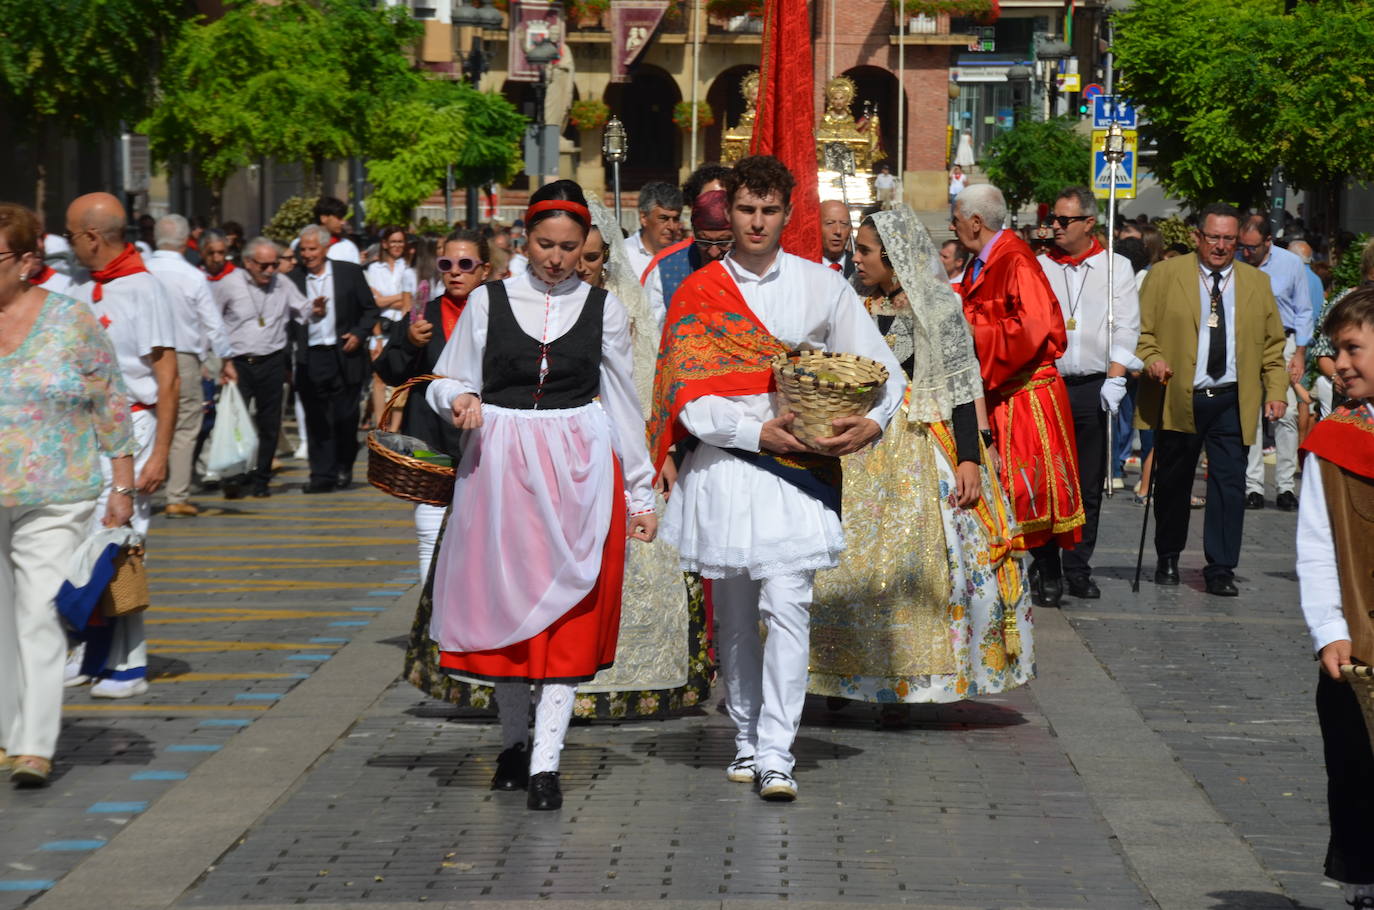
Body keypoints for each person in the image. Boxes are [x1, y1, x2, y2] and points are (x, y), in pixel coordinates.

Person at [651, 156, 905, 802]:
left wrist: (872, 422)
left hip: (800, 470)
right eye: (746, 209)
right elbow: (685, 393)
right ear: (728, 212)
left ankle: (776, 753)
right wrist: (752, 432)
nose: (757, 222)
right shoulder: (698, 292)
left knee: (788, 606)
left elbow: (885, 370)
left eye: (769, 210)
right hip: (728, 464)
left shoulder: (823, 286)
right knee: (735, 614)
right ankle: (744, 736)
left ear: (789, 214)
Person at [423, 180, 657, 811]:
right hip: (499, 465)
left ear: (586, 247)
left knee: (566, 613)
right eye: (545, 244)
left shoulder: (604, 309)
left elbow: (624, 405)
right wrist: (458, 398)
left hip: (578, 463)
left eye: (569, 247)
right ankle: (513, 743)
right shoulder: (487, 301)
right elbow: (445, 380)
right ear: (524, 239)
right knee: (506, 604)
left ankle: (546, 763)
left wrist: (640, 494)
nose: (556, 258)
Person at [807, 205, 1032, 709]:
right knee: (844, 561)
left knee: (915, 563)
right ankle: (839, 673)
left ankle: (905, 680)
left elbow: (960, 387)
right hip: (858, 440)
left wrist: (970, 459)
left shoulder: (938, 307)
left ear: (893, 256)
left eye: (866, 251)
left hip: (920, 440)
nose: (856, 258)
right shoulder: (852, 302)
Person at [0, 203, 137, 786]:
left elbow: (111, 402)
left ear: (26, 260)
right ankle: (6, 730)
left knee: (36, 613)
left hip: (56, 492)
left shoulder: (70, 320)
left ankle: (34, 745)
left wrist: (123, 484)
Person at [1135, 203, 1288, 597]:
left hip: (1231, 399)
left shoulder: (1256, 283)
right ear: (1197, 237)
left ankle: (1220, 567)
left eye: (1229, 239)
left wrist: (1275, 391)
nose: (1221, 246)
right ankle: (1168, 554)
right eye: (1214, 237)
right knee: (1173, 482)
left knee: (1229, 485)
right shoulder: (1165, 275)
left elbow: (1273, 346)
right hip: (1180, 394)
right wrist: (1152, 359)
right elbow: (1142, 333)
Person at [65, 192, 179, 698]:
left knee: (121, 545)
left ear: (92, 237)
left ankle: (129, 666)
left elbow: (168, 378)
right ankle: (93, 654)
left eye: (71, 234)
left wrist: (160, 454)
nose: (69, 243)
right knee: (88, 545)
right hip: (88, 431)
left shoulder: (144, 288)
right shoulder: (82, 287)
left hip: (133, 427)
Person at [1294, 287, 1374, 910]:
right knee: (1358, 768)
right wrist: (1330, 628)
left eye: (1353, 350)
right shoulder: (1335, 441)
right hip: (1361, 641)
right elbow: (1318, 544)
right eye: (1336, 351)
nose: (1339, 364)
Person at [953, 183, 1085, 554]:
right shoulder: (981, 262)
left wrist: (972, 333)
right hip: (999, 394)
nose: (951, 227)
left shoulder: (1015, 260)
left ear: (975, 222)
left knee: (1030, 499)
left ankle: (1046, 576)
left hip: (1026, 399)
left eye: (956, 219)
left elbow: (1033, 326)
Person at [1032, 187, 1140, 603]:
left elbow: (1126, 325)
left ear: (1089, 223)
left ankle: (1078, 566)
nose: (1055, 227)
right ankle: (1047, 568)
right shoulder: (1041, 266)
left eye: (1064, 220)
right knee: (1046, 481)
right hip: (1050, 384)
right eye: (1053, 219)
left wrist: (1116, 376)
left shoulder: (1116, 267)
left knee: (1088, 483)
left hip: (1095, 383)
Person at [374, 230, 487, 578]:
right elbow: (389, 371)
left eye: (465, 264)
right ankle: (430, 609)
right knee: (429, 531)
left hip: (484, 439)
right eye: (446, 264)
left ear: (484, 269)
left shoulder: (500, 313)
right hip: (429, 438)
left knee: (482, 539)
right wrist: (409, 342)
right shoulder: (423, 314)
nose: (455, 272)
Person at [145, 215, 235, 517]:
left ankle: (139, 488)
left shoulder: (141, 271)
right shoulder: (192, 276)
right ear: (186, 243)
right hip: (181, 355)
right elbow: (212, 322)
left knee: (145, 418)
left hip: (144, 354)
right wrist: (225, 358)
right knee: (184, 424)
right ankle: (177, 494)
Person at [286, 224, 379, 493]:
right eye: (303, 249)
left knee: (345, 417)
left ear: (325, 248)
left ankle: (343, 465)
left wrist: (359, 334)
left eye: (312, 249)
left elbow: (369, 310)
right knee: (316, 418)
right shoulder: (292, 279)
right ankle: (321, 475)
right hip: (311, 356)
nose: (307, 254)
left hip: (345, 355)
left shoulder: (349, 273)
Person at [213, 237, 309, 498]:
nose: (270, 271)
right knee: (235, 422)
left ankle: (262, 480)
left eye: (274, 265)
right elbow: (213, 321)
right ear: (248, 262)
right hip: (238, 363)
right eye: (263, 265)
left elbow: (303, 309)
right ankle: (234, 475)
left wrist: (318, 307)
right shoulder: (229, 283)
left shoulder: (282, 283)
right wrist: (221, 361)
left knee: (269, 424)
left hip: (272, 361)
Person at [1238, 214, 1312, 511]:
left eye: (1252, 247)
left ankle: (1285, 486)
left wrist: (1300, 353)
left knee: (1287, 413)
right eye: (1242, 246)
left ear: (1268, 241)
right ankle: (1253, 486)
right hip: (1245, 344)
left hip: (1283, 342)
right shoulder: (1236, 262)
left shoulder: (1290, 264)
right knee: (1251, 414)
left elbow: (1303, 309)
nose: (1246, 253)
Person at [643, 189, 734, 333]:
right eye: (704, 242)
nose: (713, 252)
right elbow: (651, 333)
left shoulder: (755, 266)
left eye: (723, 242)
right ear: (694, 233)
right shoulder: (665, 270)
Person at [1309, 244, 1374, 419]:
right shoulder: (1345, 303)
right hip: (1350, 407)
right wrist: (1337, 376)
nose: (1341, 363)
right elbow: (1323, 353)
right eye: (1370, 284)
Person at [364, 226, 416, 431]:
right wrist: (401, 297)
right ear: (385, 244)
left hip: (402, 327)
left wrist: (386, 299)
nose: (397, 245)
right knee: (378, 377)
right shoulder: (374, 269)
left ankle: (395, 427)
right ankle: (380, 424)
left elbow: (411, 301)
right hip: (381, 330)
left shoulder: (410, 267)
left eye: (400, 241)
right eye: (393, 241)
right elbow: (372, 302)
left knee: (401, 376)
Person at [623, 181, 683, 281]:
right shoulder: (622, 254)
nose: (671, 227)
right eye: (663, 218)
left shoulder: (685, 256)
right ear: (644, 218)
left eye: (676, 219)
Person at [306, 196, 361, 265]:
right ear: (323, 218)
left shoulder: (348, 246)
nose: (343, 222)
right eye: (339, 218)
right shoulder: (302, 244)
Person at [819, 199, 854, 277]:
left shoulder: (859, 267)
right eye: (830, 223)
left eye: (844, 224)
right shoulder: (803, 266)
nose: (838, 231)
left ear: (851, 229)